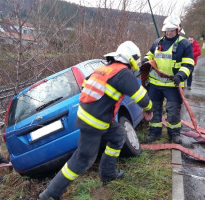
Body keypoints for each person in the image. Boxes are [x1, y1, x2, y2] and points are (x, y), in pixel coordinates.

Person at [39, 41, 153, 200]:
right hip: (95, 122)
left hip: (95, 118)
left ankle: (108, 173)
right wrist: (149, 109)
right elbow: (141, 97)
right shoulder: (123, 72)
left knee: (118, 135)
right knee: (83, 159)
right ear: (132, 59)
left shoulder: (103, 68)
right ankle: (50, 194)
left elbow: (86, 85)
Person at [140, 15, 194, 144]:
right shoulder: (158, 42)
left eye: (172, 30)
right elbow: (150, 55)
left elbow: (188, 64)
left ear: (178, 30)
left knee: (173, 109)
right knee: (154, 108)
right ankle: (154, 132)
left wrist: (180, 75)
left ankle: (174, 134)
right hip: (154, 84)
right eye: (167, 30)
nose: (169, 32)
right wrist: (145, 61)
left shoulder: (184, 44)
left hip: (173, 84)